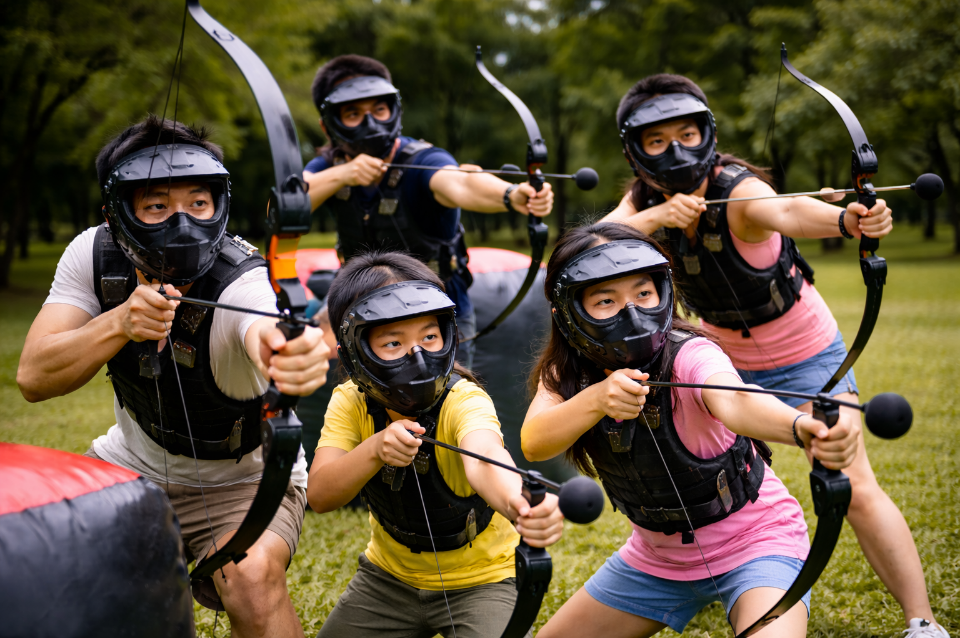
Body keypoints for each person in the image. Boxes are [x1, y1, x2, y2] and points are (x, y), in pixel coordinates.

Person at [602, 74, 947, 637]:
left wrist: (846, 219)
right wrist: (654, 221)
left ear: (707, 133)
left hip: (805, 354)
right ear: (635, 150)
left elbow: (787, 212)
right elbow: (588, 251)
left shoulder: (736, 188)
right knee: (716, 480)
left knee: (851, 484)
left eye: (687, 133)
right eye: (657, 140)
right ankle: (730, 579)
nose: (677, 151)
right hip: (721, 366)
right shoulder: (644, 200)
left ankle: (922, 621)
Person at [16, 116, 330, 638]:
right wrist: (118, 322)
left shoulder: (241, 277)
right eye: (157, 205)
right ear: (117, 215)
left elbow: (265, 325)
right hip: (130, 464)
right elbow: (33, 376)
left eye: (198, 203)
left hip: (244, 482)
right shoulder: (93, 255)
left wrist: (289, 350)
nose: (182, 223)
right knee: (48, 554)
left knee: (250, 576)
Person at [521, 222, 862, 637]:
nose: (632, 313)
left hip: (756, 544)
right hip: (655, 561)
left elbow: (735, 399)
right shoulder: (566, 374)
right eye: (605, 300)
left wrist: (801, 426)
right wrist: (595, 399)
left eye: (643, 293)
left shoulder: (691, 353)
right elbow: (534, 442)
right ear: (568, 311)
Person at [307, 250, 564, 638]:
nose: (418, 357)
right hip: (387, 581)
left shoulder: (465, 399)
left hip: (484, 582)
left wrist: (521, 504)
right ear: (354, 350)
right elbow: (320, 494)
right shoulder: (349, 400)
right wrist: (374, 449)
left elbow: (486, 459)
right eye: (392, 343)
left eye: (429, 337)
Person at [303, 54, 554, 367]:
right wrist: (344, 174)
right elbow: (284, 205)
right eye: (353, 113)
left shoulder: (423, 158)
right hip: (365, 314)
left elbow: (459, 183)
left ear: (394, 110)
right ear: (328, 125)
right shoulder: (330, 165)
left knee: (449, 407)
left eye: (379, 109)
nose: (370, 123)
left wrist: (513, 195)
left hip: (438, 318)